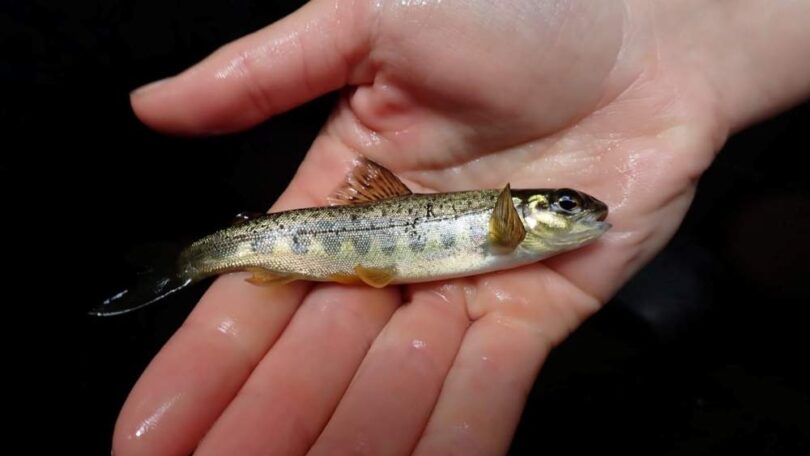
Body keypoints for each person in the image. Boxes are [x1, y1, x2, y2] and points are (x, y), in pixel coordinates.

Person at [112, 1, 810, 454]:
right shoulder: (505, 231)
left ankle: (183, 261)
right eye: (566, 207)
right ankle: (182, 261)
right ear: (525, 216)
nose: (584, 216)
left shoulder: (515, 233)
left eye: (571, 207)